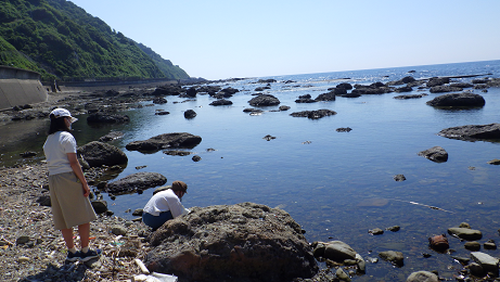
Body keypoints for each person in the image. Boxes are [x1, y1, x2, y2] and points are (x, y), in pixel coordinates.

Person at [42, 108, 100, 262]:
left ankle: (72, 252)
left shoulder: (49, 140)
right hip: (68, 177)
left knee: (63, 217)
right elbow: (73, 163)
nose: (70, 122)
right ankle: (85, 251)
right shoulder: (67, 137)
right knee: (83, 215)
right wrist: (84, 183)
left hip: (53, 179)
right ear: (64, 120)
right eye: (69, 119)